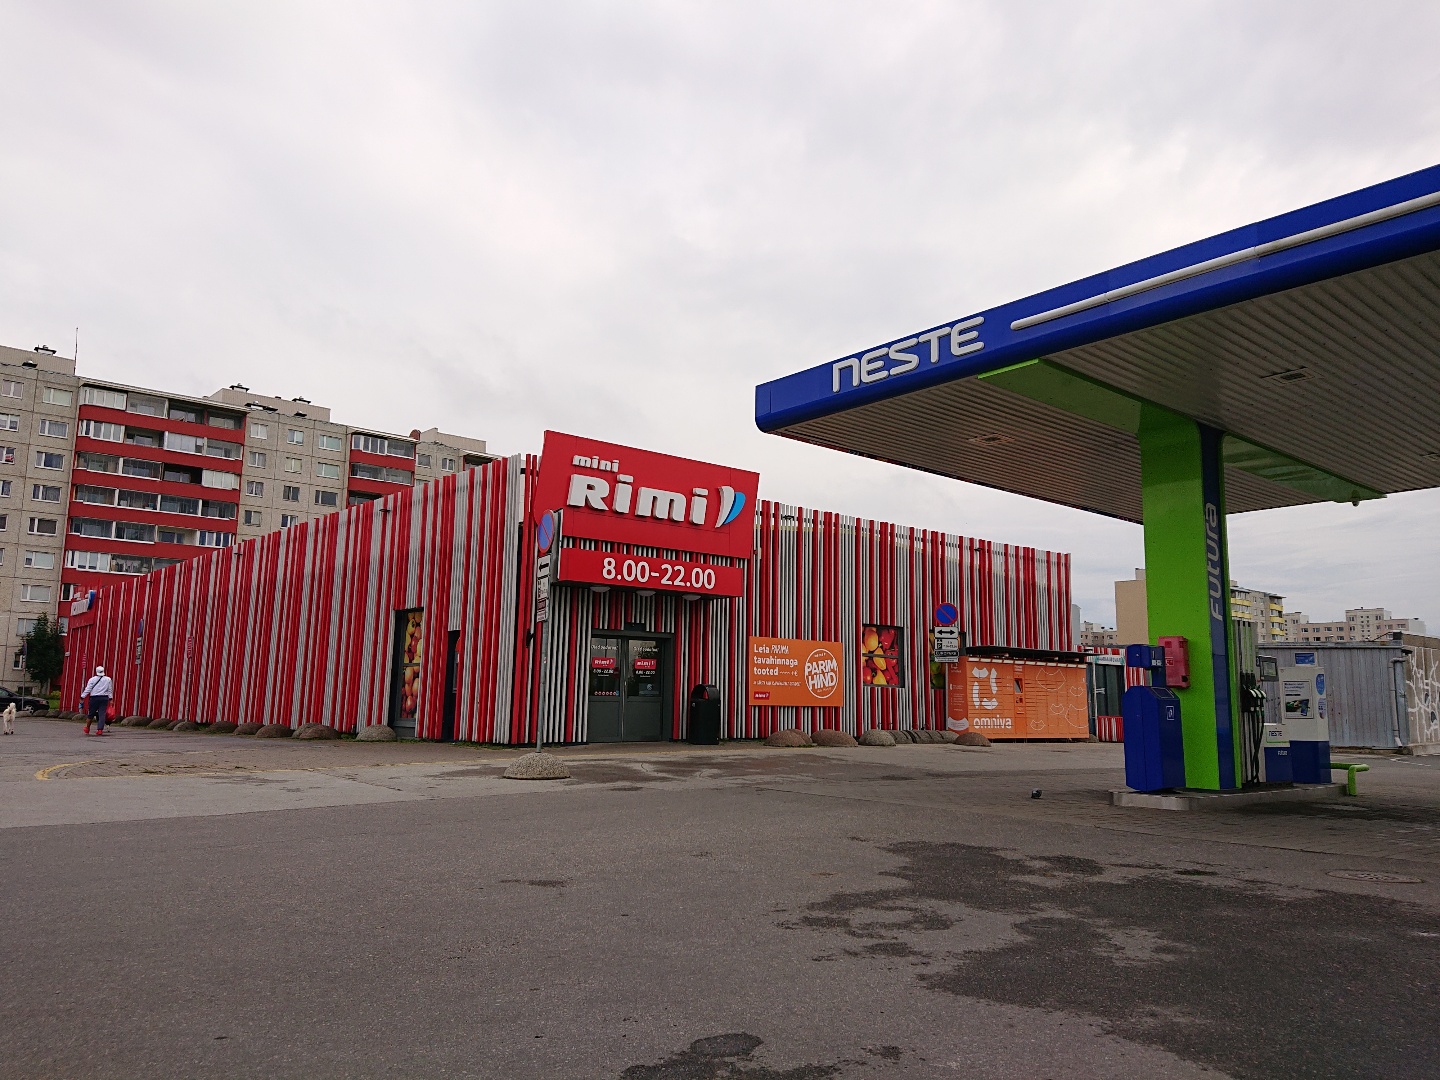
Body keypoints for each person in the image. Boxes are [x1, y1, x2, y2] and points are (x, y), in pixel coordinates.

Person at [81, 666, 114, 736]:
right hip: (104, 698)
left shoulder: (92, 679)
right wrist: (111, 699)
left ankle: (87, 728)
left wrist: (82, 696)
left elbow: (88, 689)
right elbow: (110, 690)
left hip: (94, 698)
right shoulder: (108, 679)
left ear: (96, 671)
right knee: (102, 714)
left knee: (91, 713)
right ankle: (100, 730)